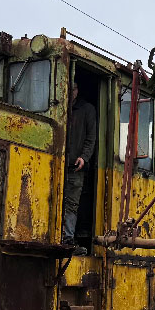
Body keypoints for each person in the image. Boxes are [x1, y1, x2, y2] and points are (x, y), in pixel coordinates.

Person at [62, 81, 97, 244]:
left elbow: (91, 138)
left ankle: (68, 237)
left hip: (75, 167)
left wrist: (84, 156)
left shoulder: (87, 110)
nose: (71, 91)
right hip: (58, 163)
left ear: (78, 90)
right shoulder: (60, 107)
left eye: (74, 88)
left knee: (71, 203)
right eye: (69, 88)